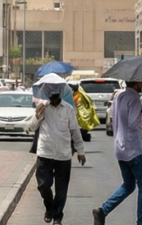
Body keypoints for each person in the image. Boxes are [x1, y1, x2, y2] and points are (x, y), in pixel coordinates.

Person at [92, 81, 142, 225]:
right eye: (141, 83)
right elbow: (133, 122)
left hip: (121, 148)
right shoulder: (134, 98)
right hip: (135, 149)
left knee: (128, 185)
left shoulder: (119, 96)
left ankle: (103, 210)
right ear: (137, 83)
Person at [27, 81, 86, 225]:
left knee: (61, 189)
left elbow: (75, 131)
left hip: (63, 154)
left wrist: (80, 151)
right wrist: (37, 114)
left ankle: (57, 217)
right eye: (51, 96)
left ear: (60, 94)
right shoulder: (42, 108)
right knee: (43, 185)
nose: (53, 99)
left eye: (55, 96)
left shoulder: (68, 109)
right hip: (45, 153)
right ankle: (49, 208)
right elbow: (30, 128)